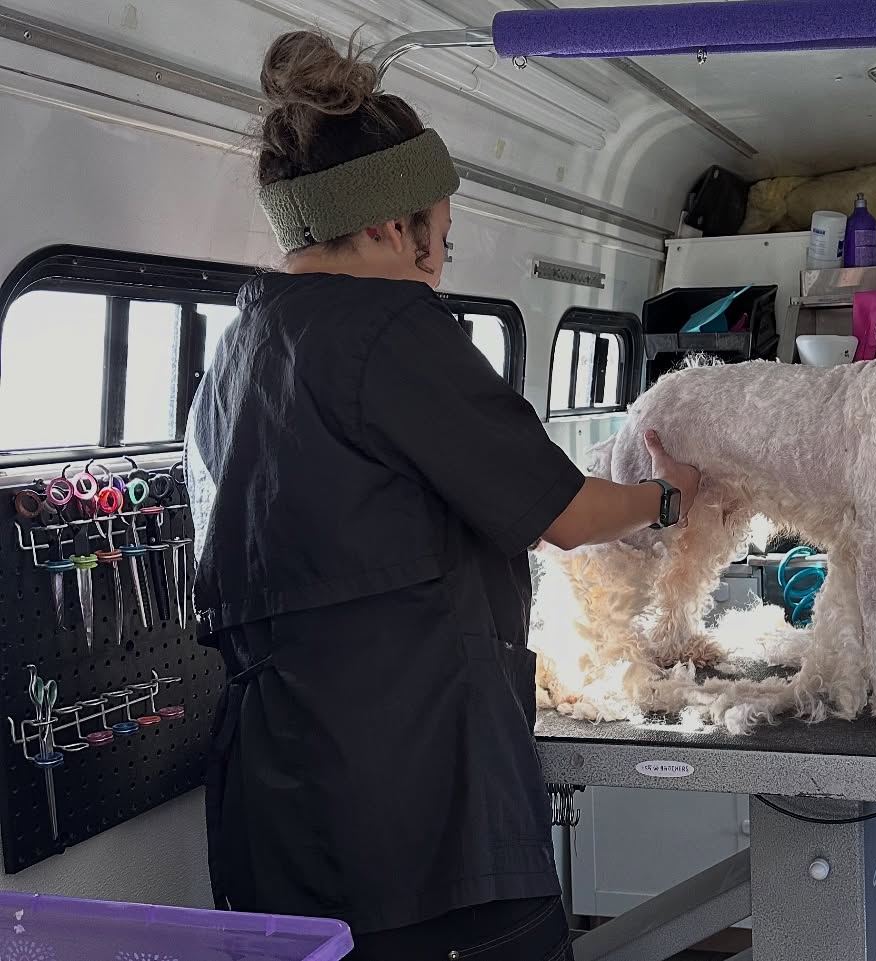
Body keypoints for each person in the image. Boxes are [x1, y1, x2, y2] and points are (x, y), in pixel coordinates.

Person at [184, 30, 700, 961]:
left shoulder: (238, 350)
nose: (440, 264)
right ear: (389, 224)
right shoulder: (391, 329)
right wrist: (667, 497)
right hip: (417, 819)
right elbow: (567, 512)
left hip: (277, 817)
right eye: (441, 242)